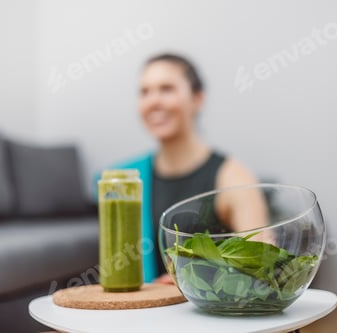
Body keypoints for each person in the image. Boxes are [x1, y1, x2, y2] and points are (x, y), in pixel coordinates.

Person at [95, 53, 267, 284]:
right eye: (144, 92)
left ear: (197, 98)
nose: (153, 101)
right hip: (148, 316)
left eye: (166, 89)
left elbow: (263, 262)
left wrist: (199, 277)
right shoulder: (131, 180)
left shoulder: (232, 177)